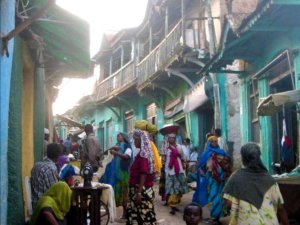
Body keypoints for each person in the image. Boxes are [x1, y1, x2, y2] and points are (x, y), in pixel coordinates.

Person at [223, 142, 289, 225]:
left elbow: (228, 203)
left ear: (243, 159)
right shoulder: (270, 180)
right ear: (259, 158)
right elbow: (281, 208)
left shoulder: (236, 178)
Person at [193, 136, 231, 225]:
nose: (215, 143)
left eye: (216, 141)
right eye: (213, 141)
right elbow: (201, 165)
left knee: (218, 197)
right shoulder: (206, 153)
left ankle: (215, 217)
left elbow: (227, 163)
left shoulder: (221, 152)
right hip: (210, 177)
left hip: (220, 178)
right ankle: (215, 217)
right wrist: (202, 172)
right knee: (212, 196)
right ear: (209, 142)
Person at [126, 129, 156, 225]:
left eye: (136, 140)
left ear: (142, 141)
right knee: (139, 215)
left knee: (142, 215)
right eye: (134, 139)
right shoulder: (142, 154)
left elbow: (144, 173)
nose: (134, 142)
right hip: (141, 189)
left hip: (141, 190)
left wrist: (138, 193)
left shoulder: (143, 156)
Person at [164, 125, 189, 215]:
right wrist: (166, 170)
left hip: (179, 170)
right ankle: (172, 207)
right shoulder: (167, 148)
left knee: (178, 189)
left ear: (175, 139)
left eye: (172, 138)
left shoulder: (179, 147)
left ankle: (175, 205)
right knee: (172, 189)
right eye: (169, 138)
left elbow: (183, 157)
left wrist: (183, 164)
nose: (170, 139)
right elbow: (166, 160)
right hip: (170, 170)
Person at [108, 132, 132, 220]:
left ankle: (125, 214)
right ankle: (123, 212)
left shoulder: (127, 146)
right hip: (117, 174)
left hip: (124, 173)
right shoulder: (118, 145)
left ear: (124, 137)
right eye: (117, 135)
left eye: (120, 135)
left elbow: (126, 156)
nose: (117, 136)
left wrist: (116, 153)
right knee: (118, 192)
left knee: (124, 192)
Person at [31, 143, 62, 209]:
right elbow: (54, 191)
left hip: (35, 202)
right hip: (45, 205)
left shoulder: (36, 165)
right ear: (57, 156)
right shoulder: (50, 168)